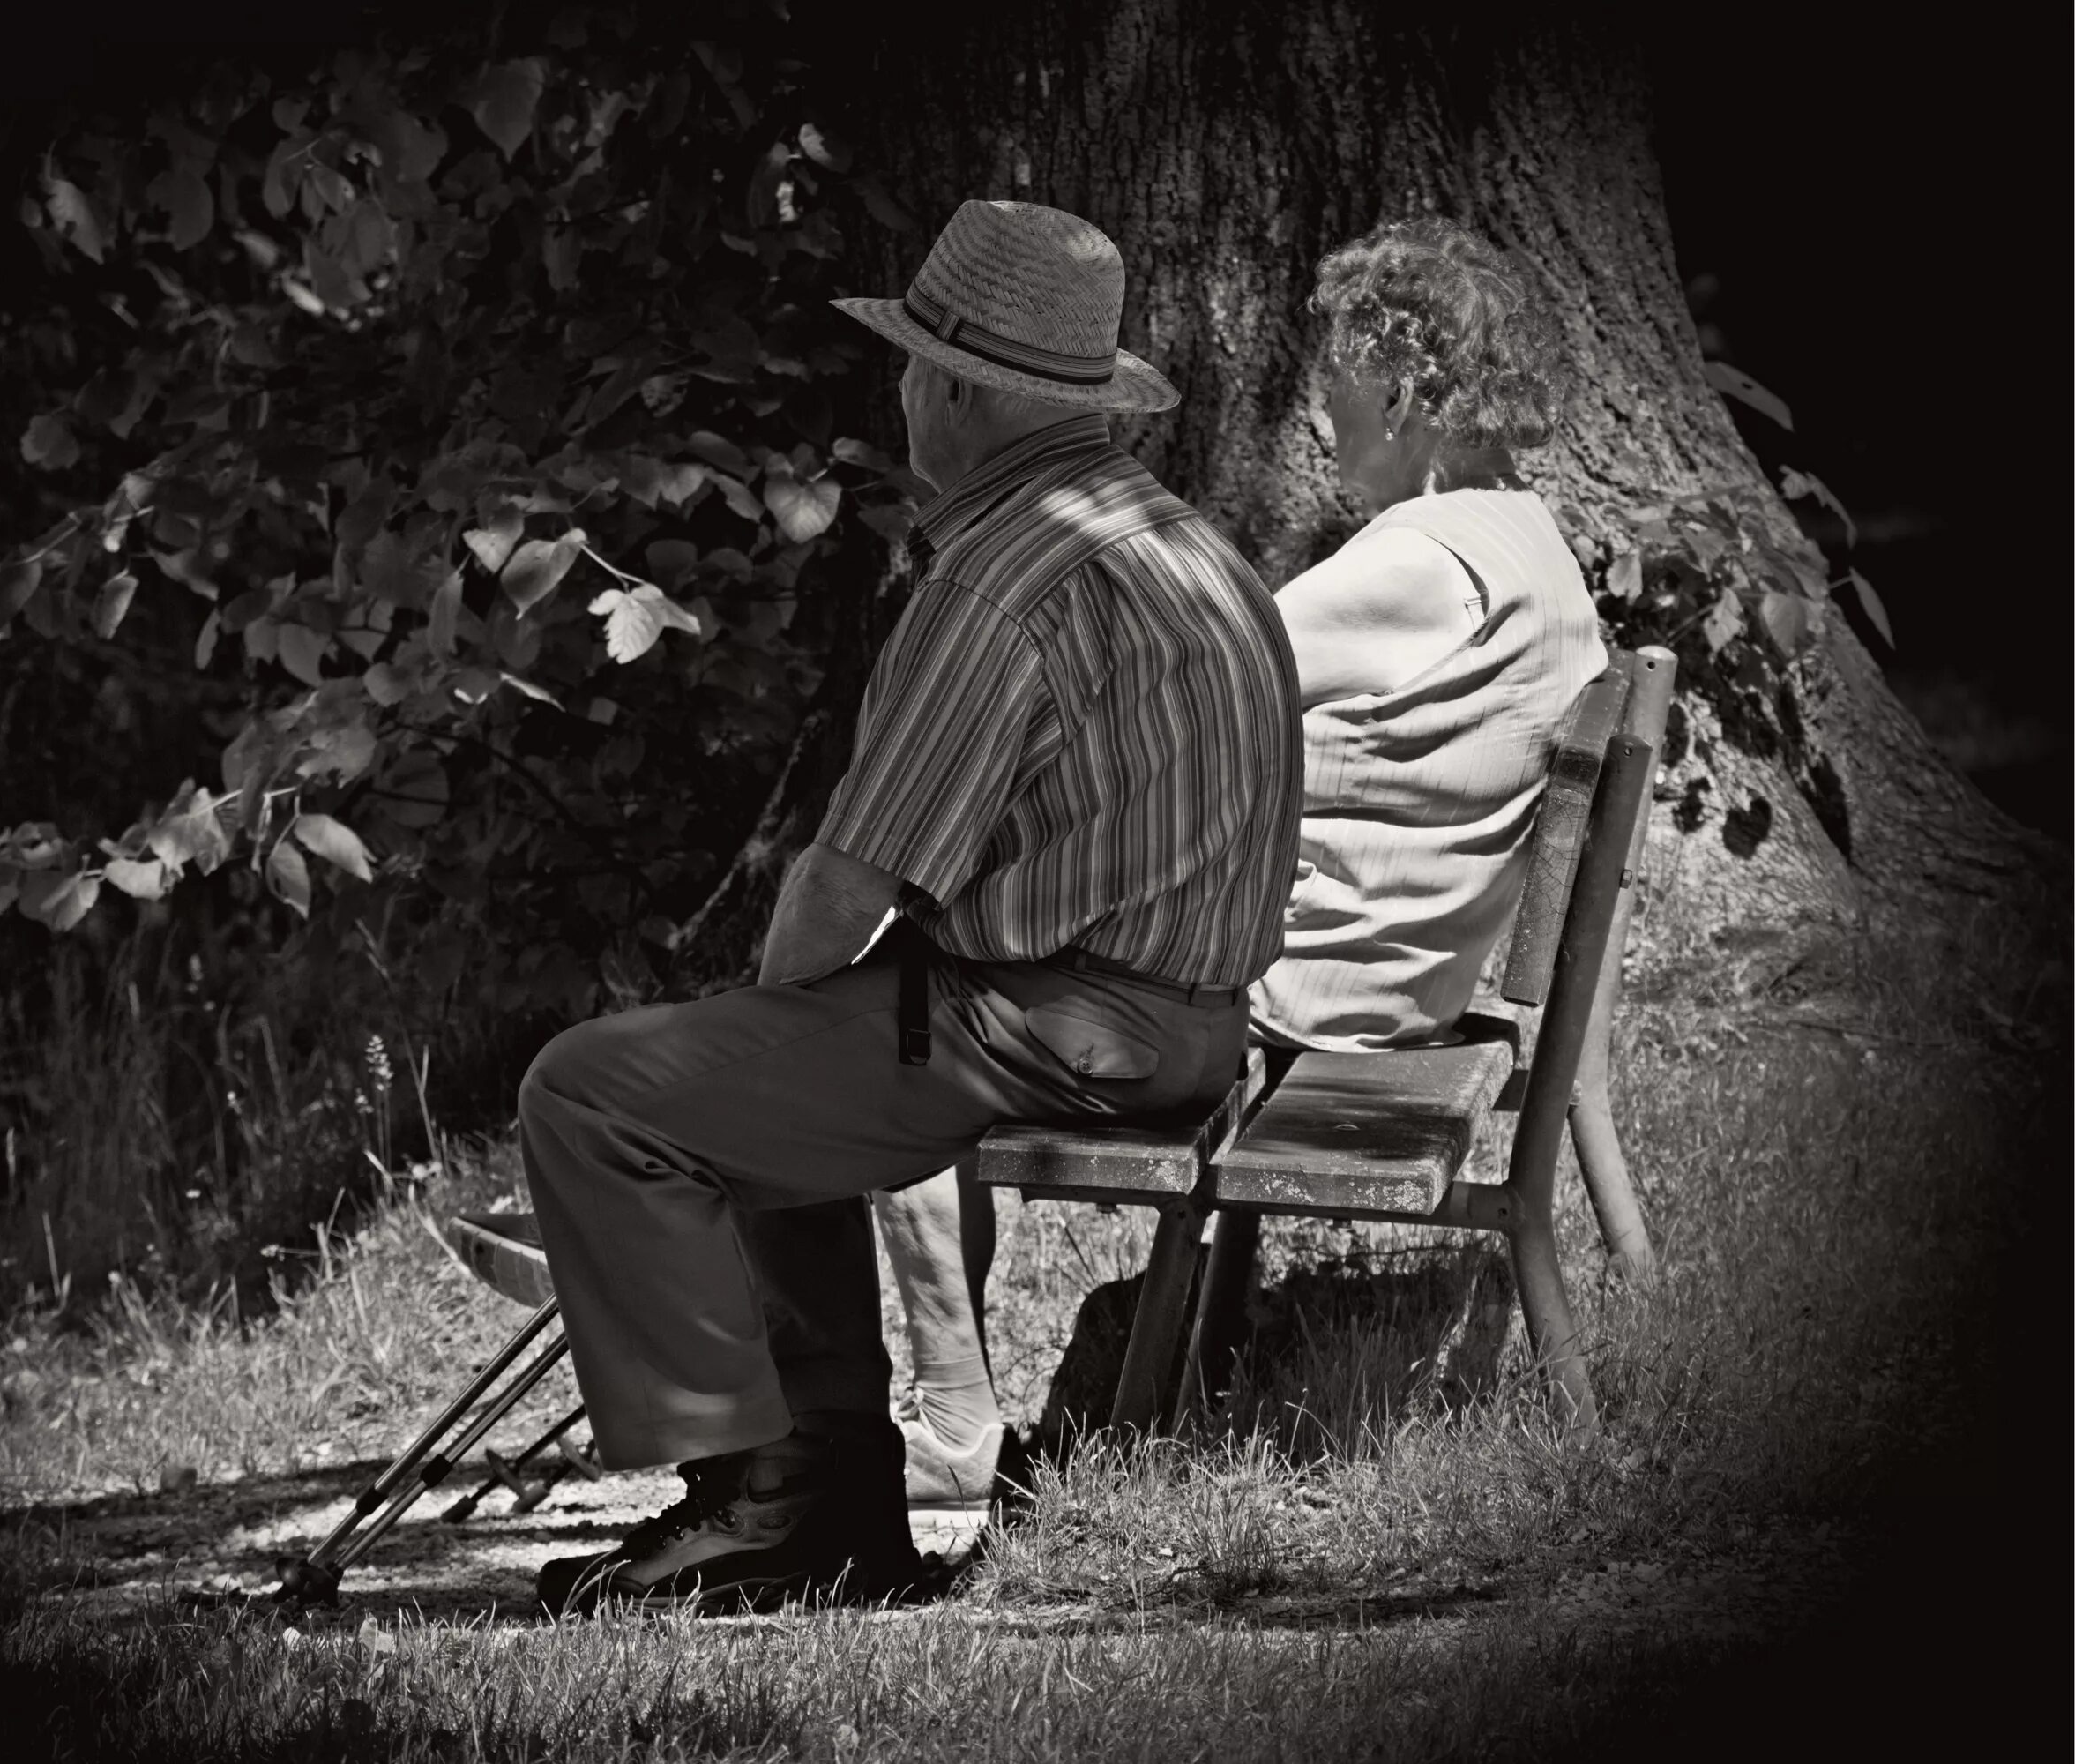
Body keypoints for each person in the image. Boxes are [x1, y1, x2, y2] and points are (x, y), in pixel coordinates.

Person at [515, 199, 1303, 1613]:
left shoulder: (1003, 578)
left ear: (946, 389)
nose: (897, 394)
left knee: (599, 1089)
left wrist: (749, 1034)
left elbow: (850, 879)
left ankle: (770, 1502)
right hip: (1195, 1020)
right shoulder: (1185, 537)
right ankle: (810, 1495)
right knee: (764, 1072)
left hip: (1069, 1019)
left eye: (905, 369)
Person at [879, 214, 1608, 1484]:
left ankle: (947, 1411)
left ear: (1408, 388)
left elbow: (1182, 676)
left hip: (1292, 1007)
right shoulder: (1530, 545)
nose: (1322, 430)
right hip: (1392, 981)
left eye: (1334, 395)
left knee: (893, 994)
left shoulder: (1418, 569)